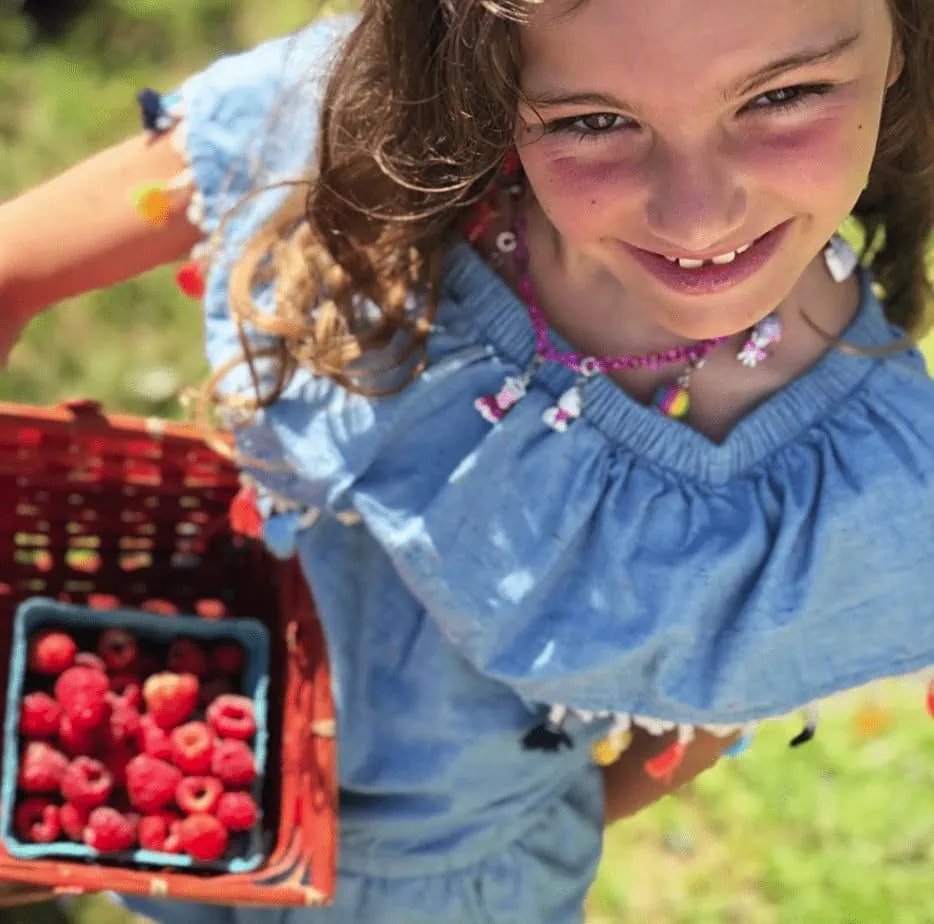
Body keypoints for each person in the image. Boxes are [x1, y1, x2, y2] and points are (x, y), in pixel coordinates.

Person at [2, 1, 934, 921]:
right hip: (182, 774)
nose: (697, 218)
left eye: (785, 96)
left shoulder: (857, 495)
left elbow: (701, 710)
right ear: (487, 71)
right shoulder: (368, 133)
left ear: (904, 38)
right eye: (593, 120)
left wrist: (489, 855)